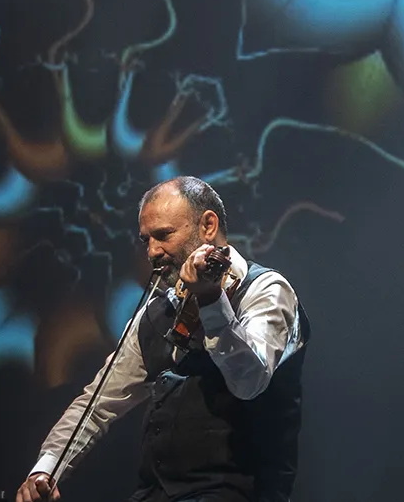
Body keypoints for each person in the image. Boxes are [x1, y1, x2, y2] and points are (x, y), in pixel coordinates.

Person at [15, 176, 308, 502]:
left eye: (164, 235)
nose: (152, 251)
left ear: (208, 226)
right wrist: (47, 469)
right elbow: (96, 404)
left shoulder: (266, 291)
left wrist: (210, 299)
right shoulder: (157, 313)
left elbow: (249, 380)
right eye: (146, 240)